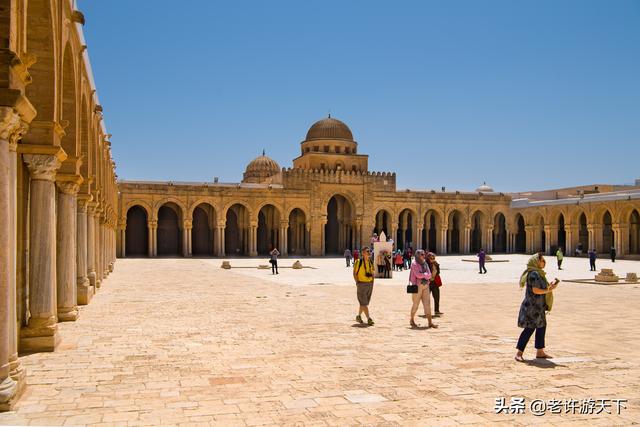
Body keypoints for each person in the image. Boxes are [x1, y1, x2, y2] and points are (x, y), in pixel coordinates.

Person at [515, 253, 559, 362]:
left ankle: (540, 351)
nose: (544, 262)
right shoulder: (533, 274)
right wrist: (549, 290)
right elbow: (535, 290)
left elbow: (542, 287)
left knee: (541, 327)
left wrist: (551, 285)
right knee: (529, 329)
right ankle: (519, 353)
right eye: (542, 260)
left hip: (539, 306)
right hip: (532, 307)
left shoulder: (539, 274)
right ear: (536, 262)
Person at [409, 250, 437, 328]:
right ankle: (411, 320)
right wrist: (425, 275)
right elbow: (418, 275)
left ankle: (430, 322)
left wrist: (424, 275)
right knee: (416, 304)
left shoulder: (424, 263)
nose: (423, 256)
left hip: (426, 286)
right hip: (417, 287)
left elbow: (429, 275)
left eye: (424, 254)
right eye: (422, 254)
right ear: (417, 255)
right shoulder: (414, 264)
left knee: (427, 304)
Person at [353, 246, 375, 326]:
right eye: (367, 251)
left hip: (369, 284)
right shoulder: (358, 262)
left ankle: (358, 316)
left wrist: (372, 283)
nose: (369, 253)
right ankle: (369, 318)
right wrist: (357, 282)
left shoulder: (371, 262)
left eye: (369, 251)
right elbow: (354, 273)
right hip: (361, 284)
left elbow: (373, 274)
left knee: (364, 303)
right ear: (363, 253)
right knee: (364, 303)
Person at [424, 252, 443, 317]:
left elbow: (438, 272)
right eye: (431, 258)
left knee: (437, 297)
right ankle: (426, 311)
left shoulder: (436, 264)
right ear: (428, 258)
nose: (433, 259)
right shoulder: (425, 265)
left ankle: (436, 311)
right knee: (426, 299)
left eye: (434, 258)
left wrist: (436, 266)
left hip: (435, 283)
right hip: (428, 284)